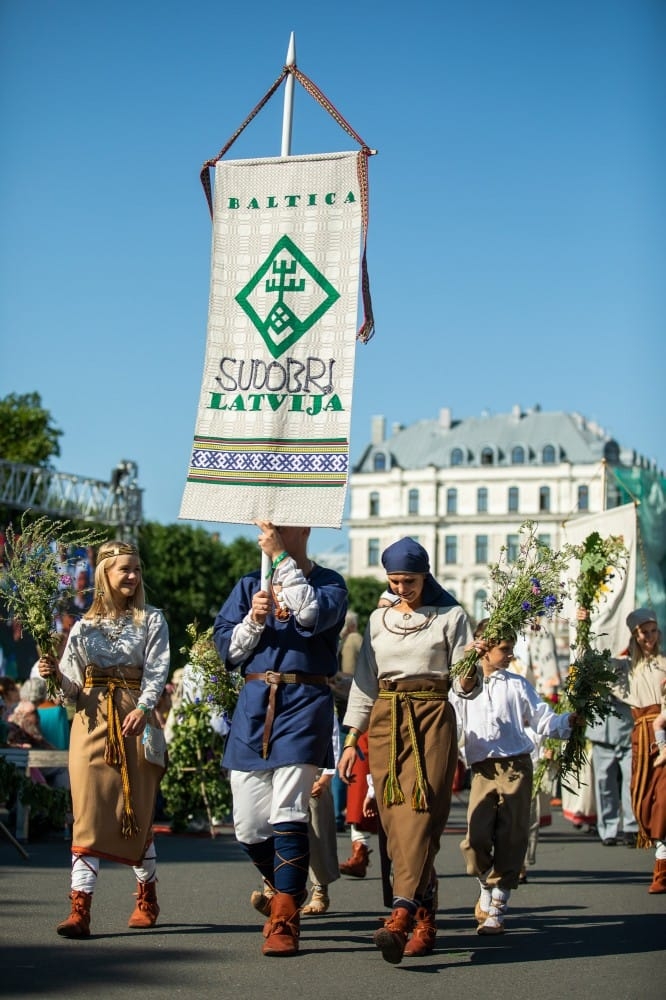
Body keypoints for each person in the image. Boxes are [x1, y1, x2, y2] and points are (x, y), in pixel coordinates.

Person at [213, 522, 347, 957]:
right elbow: (227, 652)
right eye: (264, 526)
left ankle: (285, 921)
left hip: (304, 701)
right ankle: (282, 886)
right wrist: (253, 618)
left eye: (277, 525)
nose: (266, 532)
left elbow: (311, 616)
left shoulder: (329, 582)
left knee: (288, 808)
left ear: (302, 527)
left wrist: (284, 565)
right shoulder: (250, 584)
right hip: (254, 704)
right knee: (249, 825)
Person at [338, 537, 474, 965]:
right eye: (394, 581)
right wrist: (349, 740)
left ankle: (399, 916)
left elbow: (466, 685)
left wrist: (471, 672)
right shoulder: (379, 621)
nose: (401, 588)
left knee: (420, 815)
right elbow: (363, 684)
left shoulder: (451, 616)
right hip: (385, 720)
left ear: (425, 574)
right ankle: (425, 920)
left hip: (432, 718)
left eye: (409, 581)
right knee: (396, 823)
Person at [38, 539, 170, 937]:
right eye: (124, 569)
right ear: (104, 576)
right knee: (89, 814)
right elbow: (73, 692)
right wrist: (54, 676)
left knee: (136, 810)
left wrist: (143, 709)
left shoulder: (152, 620)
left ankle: (146, 895)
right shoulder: (83, 627)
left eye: (136, 569)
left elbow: (158, 671)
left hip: (135, 719)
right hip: (92, 724)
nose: (132, 576)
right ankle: (81, 909)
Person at [449, 620, 584, 935]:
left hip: (516, 766)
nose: (510, 655)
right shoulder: (463, 684)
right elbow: (452, 721)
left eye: (511, 649)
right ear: (484, 648)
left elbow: (541, 719)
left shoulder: (517, 683)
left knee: (512, 836)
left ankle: (498, 905)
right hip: (482, 769)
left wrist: (567, 721)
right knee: (476, 837)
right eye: (504, 649)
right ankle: (485, 882)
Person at [611, 608, 666, 891]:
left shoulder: (665, 663)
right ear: (634, 635)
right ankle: (660, 851)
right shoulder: (623, 667)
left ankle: (661, 869)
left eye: (654, 631)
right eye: (644, 632)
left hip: (665, 730)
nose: (650, 637)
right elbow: (586, 667)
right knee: (644, 800)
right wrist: (582, 629)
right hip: (643, 736)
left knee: (664, 799)